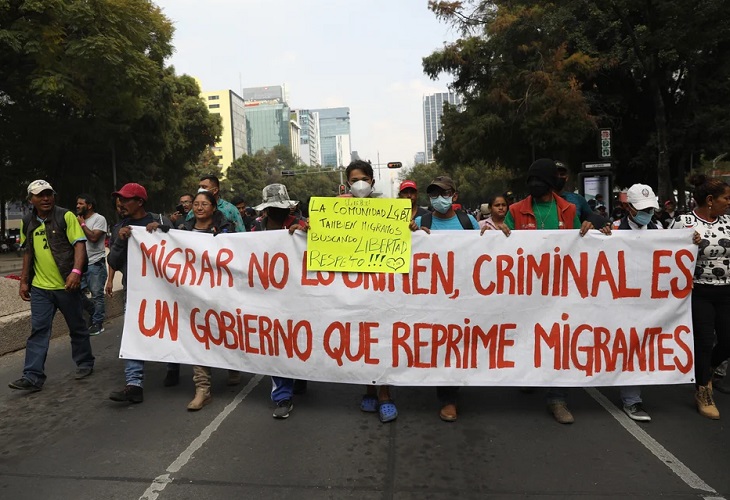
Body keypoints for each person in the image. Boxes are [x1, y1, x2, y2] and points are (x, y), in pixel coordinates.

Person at [485, 159, 594, 424]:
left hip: (560, 288)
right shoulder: (516, 210)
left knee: (559, 338)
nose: (534, 185)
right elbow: (504, 244)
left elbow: (581, 241)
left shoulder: (568, 209)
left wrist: (592, 230)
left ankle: (557, 398)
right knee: (528, 335)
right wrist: (500, 233)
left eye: (539, 180)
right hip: (525, 288)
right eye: (531, 180)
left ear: (550, 183)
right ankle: (529, 374)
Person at [147, 190, 241, 410]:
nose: (199, 207)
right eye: (196, 204)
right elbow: (171, 242)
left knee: (224, 331)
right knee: (200, 338)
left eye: (204, 204)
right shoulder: (183, 230)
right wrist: (157, 231)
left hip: (220, 293)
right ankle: (202, 389)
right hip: (194, 294)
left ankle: (232, 364)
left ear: (213, 207)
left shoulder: (226, 228)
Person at [9, 180, 94, 392]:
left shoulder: (65, 216)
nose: (45, 198)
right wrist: (24, 281)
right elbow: (28, 251)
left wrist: (76, 273)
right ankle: (32, 376)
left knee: (76, 326)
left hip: (66, 286)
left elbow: (79, 244)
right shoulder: (27, 220)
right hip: (40, 289)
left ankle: (84, 362)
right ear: (31, 200)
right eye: (40, 195)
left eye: (49, 194)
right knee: (38, 331)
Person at [414, 176, 479, 422]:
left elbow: (486, 252)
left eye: (443, 193)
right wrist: (414, 235)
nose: (438, 199)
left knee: (458, 342)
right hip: (430, 296)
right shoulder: (421, 221)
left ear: (455, 195)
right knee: (442, 343)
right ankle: (448, 398)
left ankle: (454, 388)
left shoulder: (468, 221)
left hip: (463, 293)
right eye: (433, 194)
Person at [670, 174, 730, 420]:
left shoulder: (728, 221)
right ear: (709, 200)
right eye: (726, 198)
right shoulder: (682, 222)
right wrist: (686, 243)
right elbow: (662, 251)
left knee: (727, 340)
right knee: (705, 341)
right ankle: (703, 391)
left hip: (727, 290)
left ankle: (709, 368)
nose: (728, 202)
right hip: (698, 292)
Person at [344, 160, 398, 423]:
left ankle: (385, 394)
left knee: (384, 339)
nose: (359, 184)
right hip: (354, 287)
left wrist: (412, 231)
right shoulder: (336, 211)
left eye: (363, 178)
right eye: (354, 180)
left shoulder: (388, 209)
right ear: (347, 184)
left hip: (383, 286)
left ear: (373, 181)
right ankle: (368, 390)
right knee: (362, 340)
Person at [107, 183, 172, 403]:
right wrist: (120, 241)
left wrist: (162, 232)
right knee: (134, 334)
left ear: (140, 202)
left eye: (126, 200)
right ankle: (134, 384)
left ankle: (173, 363)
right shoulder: (120, 228)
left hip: (166, 290)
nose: (121, 204)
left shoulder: (161, 221)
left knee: (170, 328)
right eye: (120, 200)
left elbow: (180, 245)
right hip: (135, 291)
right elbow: (113, 261)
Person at [250, 184, 308, 418]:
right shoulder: (255, 229)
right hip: (270, 297)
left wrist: (305, 234)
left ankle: (302, 375)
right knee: (277, 343)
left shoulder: (303, 225)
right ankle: (282, 395)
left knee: (301, 339)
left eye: (280, 207)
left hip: (302, 296)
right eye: (272, 208)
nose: (277, 212)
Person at [609, 183, 662, 422]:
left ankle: (632, 398)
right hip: (620, 298)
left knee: (639, 345)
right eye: (642, 208)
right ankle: (630, 398)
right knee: (626, 343)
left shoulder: (660, 228)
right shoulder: (613, 230)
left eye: (650, 208)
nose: (647, 213)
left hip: (648, 299)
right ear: (627, 207)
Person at [76, 194, 108, 335]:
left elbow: (94, 238)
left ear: (89, 206)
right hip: (80, 264)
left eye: (81, 203)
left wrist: (82, 225)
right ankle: (94, 313)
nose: (77, 206)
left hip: (95, 263)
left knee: (97, 295)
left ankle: (97, 323)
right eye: (77, 203)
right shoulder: (76, 221)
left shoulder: (99, 219)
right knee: (76, 294)